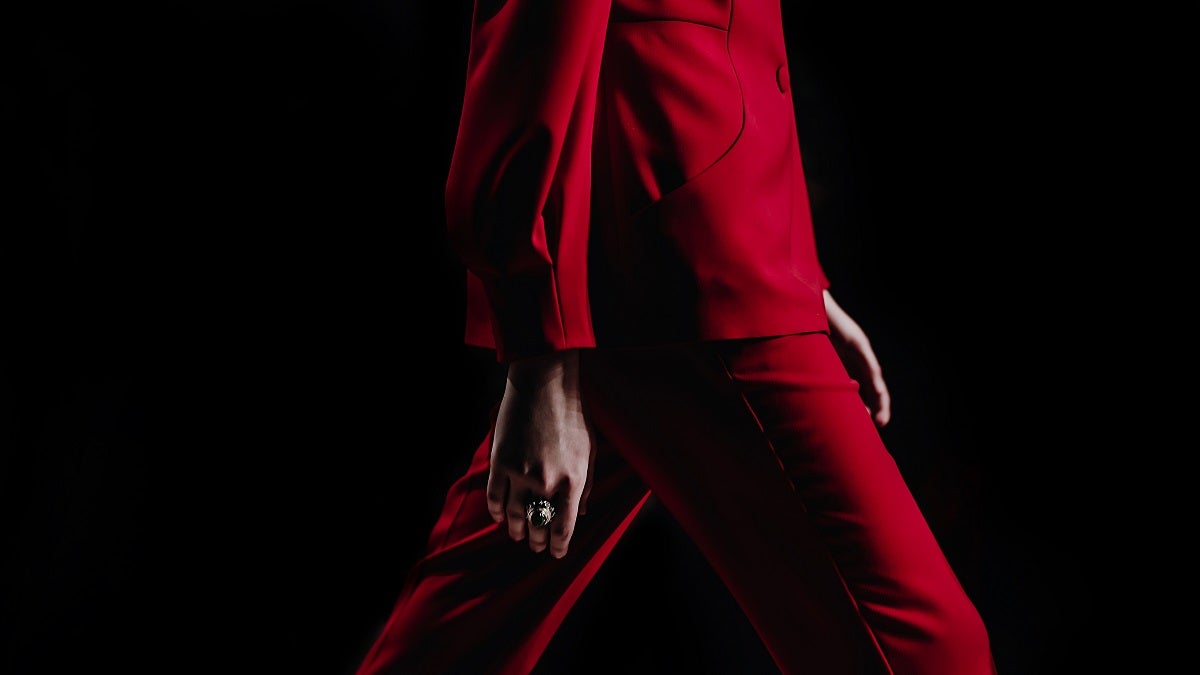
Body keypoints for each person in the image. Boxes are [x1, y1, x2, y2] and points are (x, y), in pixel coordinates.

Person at [356, 1, 997, 673]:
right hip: (682, 284)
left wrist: (794, 270)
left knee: (499, 572)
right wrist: (538, 349)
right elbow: (537, 28)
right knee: (928, 650)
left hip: (676, 272)